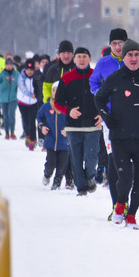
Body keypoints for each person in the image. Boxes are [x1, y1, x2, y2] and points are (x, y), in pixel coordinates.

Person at [94, 40, 139, 229]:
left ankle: (131, 215)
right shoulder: (115, 78)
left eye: (136, 55)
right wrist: (107, 117)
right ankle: (119, 206)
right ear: (123, 57)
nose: (133, 59)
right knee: (124, 178)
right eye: (129, 55)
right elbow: (99, 98)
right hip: (119, 137)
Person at [54, 47, 103, 197]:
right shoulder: (66, 78)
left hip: (92, 125)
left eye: (84, 56)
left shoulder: (97, 76)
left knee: (92, 156)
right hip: (73, 126)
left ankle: (89, 177)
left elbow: (105, 99)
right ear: (74, 60)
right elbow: (57, 102)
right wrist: (69, 111)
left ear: (89, 59)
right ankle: (81, 188)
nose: (82, 59)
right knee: (75, 158)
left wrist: (102, 115)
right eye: (79, 57)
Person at [89, 28, 139, 94]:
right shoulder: (102, 62)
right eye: (114, 43)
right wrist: (99, 93)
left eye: (120, 43)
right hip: (111, 103)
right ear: (110, 45)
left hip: (134, 103)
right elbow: (93, 82)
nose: (117, 47)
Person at [37, 83, 69, 190]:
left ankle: (57, 184)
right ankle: (47, 174)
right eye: (54, 90)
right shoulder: (46, 106)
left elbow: (74, 120)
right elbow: (39, 117)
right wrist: (42, 127)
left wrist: (67, 130)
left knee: (62, 166)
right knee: (51, 163)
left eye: (58, 90)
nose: (56, 92)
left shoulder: (67, 106)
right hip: (51, 141)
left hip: (64, 142)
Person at [17, 58, 40, 150]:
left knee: (32, 121)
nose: (30, 72)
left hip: (33, 103)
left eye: (31, 70)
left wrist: (37, 95)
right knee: (25, 122)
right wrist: (31, 95)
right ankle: (27, 135)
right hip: (23, 102)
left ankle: (33, 140)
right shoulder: (21, 77)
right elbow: (22, 88)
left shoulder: (36, 77)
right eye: (28, 70)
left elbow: (39, 87)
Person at [0, 58, 19, 139]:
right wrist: (4, 84)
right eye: (7, 65)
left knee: (11, 114)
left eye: (10, 65)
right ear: (5, 65)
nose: (9, 66)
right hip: (3, 99)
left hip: (13, 98)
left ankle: (12, 132)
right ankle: (7, 132)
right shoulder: (2, 74)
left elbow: (20, 85)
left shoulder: (16, 74)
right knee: (6, 116)